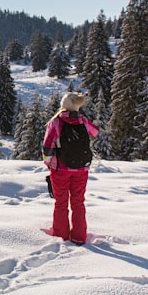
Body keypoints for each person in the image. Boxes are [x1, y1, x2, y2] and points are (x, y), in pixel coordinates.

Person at [42, 92, 99, 245]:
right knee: (78, 203)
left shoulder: (56, 122)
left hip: (60, 169)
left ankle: (61, 236)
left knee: (61, 203)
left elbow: (48, 147)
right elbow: (95, 132)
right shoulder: (83, 121)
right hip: (81, 169)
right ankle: (79, 236)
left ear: (64, 105)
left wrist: (49, 164)